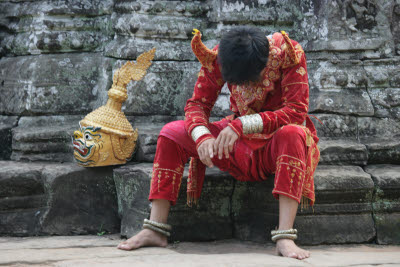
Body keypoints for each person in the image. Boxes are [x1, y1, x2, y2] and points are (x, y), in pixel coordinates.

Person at [117, 26, 320, 260]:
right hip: (234, 141)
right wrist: (202, 135)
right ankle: (154, 228)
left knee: (293, 133)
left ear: (264, 65)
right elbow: (197, 105)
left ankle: (285, 236)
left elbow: (296, 112)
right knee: (170, 133)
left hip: (275, 143)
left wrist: (244, 124)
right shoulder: (219, 56)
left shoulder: (290, 53)